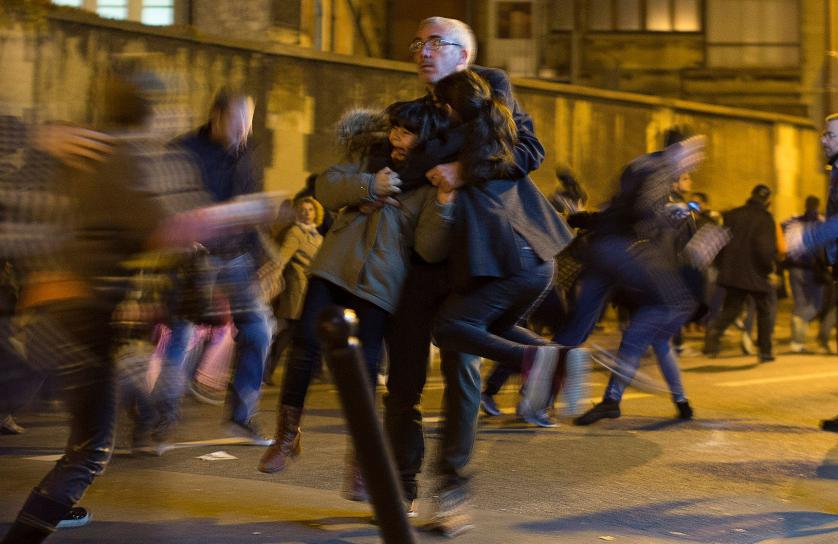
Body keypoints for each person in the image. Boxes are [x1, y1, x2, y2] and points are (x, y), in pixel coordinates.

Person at [0, 65, 280, 544]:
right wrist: (247, 210)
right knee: (91, 449)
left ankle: (85, 476)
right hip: (78, 320)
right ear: (149, 111)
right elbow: (170, 227)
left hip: (57, 316)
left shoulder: (87, 149)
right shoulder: (125, 158)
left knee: (94, 423)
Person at [381, 17, 552, 534]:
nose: (424, 51)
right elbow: (398, 173)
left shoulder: (491, 92)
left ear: (466, 56)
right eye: (419, 41)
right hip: (418, 258)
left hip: (476, 257)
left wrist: (462, 170)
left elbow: (528, 152)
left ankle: (451, 490)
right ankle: (400, 489)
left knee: (461, 371)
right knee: (404, 380)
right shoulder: (406, 113)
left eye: (437, 42)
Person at [257, 99, 456, 505]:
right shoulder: (371, 159)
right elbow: (326, 186)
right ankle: (286, 434)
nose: (396, 136)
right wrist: (370, 186)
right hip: (332, 266)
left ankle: (361, 463)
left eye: (406, 131)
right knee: (304, 348)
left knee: (362, 374)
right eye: (394, 128)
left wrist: (444, 203)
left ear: (426, 140)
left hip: (380, 286)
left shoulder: (429, 185)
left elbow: (431, 248)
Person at [429, 69, 573, 421]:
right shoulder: (496, 137)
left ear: (451, 107)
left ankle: (539, 359)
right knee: (490, 327)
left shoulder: (460, 144)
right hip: (538, 259)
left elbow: (532, 150)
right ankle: (556, 356)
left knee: (449, 327)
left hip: (512, 260)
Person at [152, 89, 276, 446]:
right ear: (217, 116)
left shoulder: (247, 151)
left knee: (259, 329)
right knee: (180, 335)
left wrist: (261, 261)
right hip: (191, 257)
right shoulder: (183, 150)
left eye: (249, 125)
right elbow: (169, 204)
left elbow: (250, 206)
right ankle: (161, 419)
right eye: (239, 123)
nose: (244, 132)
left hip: (235, 256)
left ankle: (242, 415)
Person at [703, 184, 778, 363]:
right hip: (755, 273)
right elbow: (764, 248)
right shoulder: (766, 219)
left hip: (733, 271)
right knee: (764, 310)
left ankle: (714, 331)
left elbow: (720, 243)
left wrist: (722, 266)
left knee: (732, 308)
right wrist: (769, 269)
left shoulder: (733, 214)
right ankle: (765, 351)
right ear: (767, 200)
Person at [263, 196, 324, 385]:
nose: (307, 213)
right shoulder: (295, 233)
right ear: (298, 212)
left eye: (311, 209)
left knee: (300, 331)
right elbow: (281, 258)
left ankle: (311, 371)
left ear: (316, 213)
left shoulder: (317, 235)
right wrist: (270, 278)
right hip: (297, 289)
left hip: (310, 290)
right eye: (303, 209)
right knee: (289, 332)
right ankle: (267, 370)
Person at [782, 196, 831, 353]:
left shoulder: (792, 221)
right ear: (817, 206)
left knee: (800, 303)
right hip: (812, 270)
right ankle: (800, 324)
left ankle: (797, 343)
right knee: (816, 305)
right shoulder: (822, 223)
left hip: (794, 269)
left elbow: (780, 230)